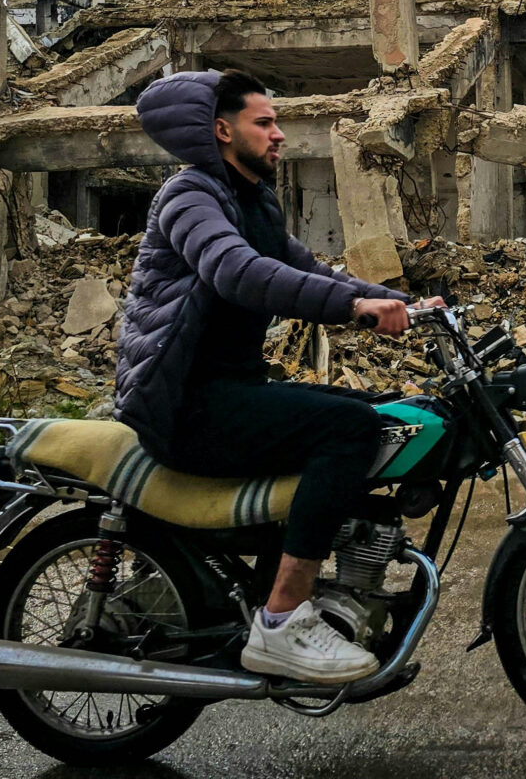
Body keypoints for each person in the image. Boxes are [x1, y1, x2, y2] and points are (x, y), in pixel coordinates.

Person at [113, 68, 441, 685]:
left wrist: (401, 303)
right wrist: (353, 309)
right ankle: (283, 618)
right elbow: (237, 272)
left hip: (228, 393)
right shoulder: (190, 197)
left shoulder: (253, 200)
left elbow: (310, 269)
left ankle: (315, 586)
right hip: (183, 406)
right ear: (221, 130)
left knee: (368, 411)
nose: (279, 135)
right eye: (263, 123)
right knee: (349, 428)